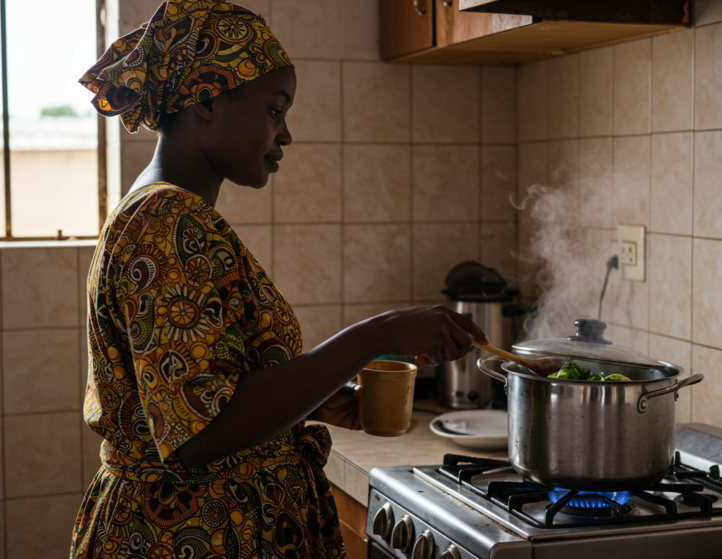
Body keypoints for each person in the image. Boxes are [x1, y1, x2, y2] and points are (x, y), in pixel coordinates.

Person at [71, 2, 488, 558]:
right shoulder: (166, 221)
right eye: (273, 109)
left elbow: (199, 393)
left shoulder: (165, 212)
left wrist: (313, 400)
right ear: (208, 102)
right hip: (187, 535)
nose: (285, 133)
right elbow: (199, 435)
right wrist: (378, 335)